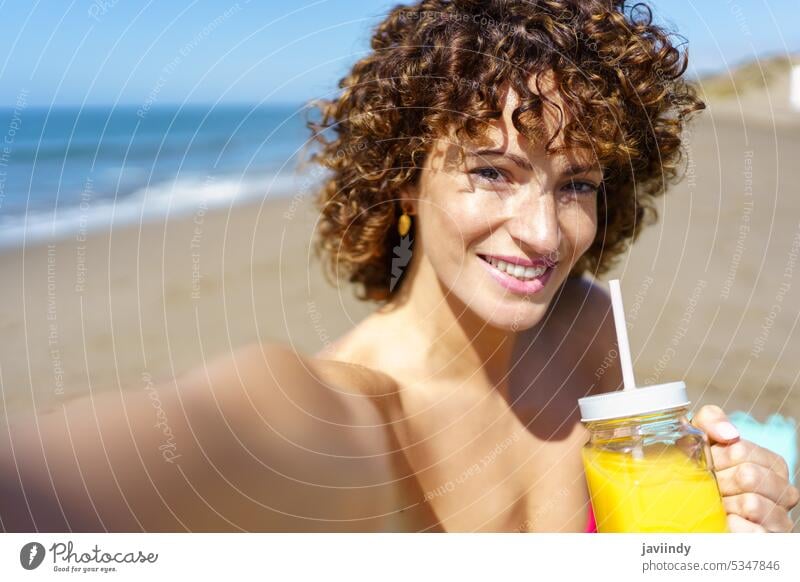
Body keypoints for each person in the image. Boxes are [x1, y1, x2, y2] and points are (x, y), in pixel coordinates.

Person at [1, 0, 798, 533]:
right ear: (403, 177)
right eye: (493, 171)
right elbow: (79, 476)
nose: (544, 232)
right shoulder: (335, 415)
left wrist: (730, 505)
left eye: (577, 183)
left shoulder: (588, 324)